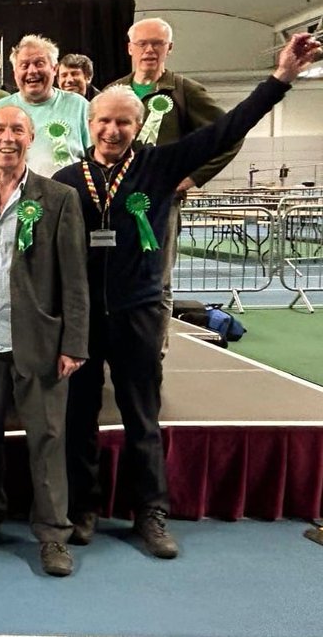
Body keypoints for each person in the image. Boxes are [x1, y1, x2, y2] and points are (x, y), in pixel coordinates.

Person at [54, 33, 321, 559]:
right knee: (78, 418)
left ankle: (149, 512)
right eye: (103, 121)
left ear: (137, 127)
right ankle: (83, 507)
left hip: (139, 311)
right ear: (90, 125)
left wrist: (282, 78)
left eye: (123, 122)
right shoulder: (65, 180)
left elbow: (229, 127)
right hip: (83, 318)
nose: (112, 130)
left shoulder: (160, 165)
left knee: (141, 416)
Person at [0, 106, 89, 577]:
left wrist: (75, 342)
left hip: (41, 344)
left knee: (47, 439)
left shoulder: (60, 198)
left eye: (17, 130)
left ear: (31, 139)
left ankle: (53, 533)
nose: (8, 138)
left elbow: (74, 278)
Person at [106, 17, 229, 345]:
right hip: (115, 202)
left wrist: (193, 177)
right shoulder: (114, 91)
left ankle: (152, 353)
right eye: (142, 44)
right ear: (129, 48)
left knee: (157, 283)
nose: (149, 50)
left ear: (169, 49)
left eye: (157, 44)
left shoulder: (186, 92)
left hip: (160, 206)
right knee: (113, 277)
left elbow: (227, 134)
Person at [0, 35, 91, 177]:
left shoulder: (79, 106)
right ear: (15, 72)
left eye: (40, 63)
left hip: (69, 196)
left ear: (54, 69)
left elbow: (97, 159)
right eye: (24, 65)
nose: (32, 71)